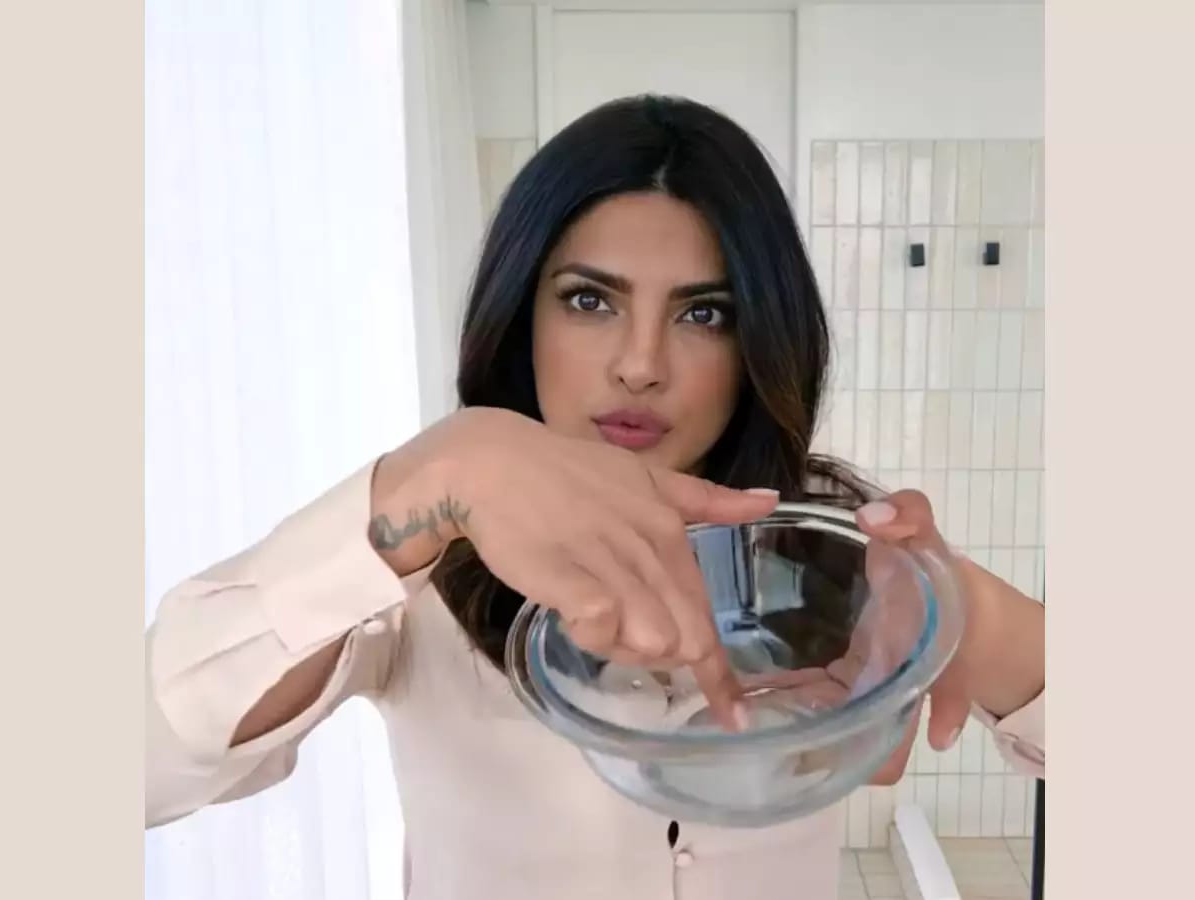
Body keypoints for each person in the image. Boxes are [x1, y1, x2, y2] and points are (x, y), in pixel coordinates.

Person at [145, 95, 1043, 899]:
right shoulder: (413, 564)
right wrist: (428, 483)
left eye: (704, 314)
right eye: (588, 301)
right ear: (520, 315)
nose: (640, 364)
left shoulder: (834, 537)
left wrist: (962, 611)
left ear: (758, 342)